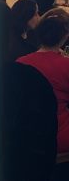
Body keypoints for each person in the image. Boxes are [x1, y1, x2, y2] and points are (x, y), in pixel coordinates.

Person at [18, 11, 69, 153]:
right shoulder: (65, 65)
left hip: (26, 135)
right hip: (58, 136)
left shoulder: (21, 62)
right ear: (65, 36)